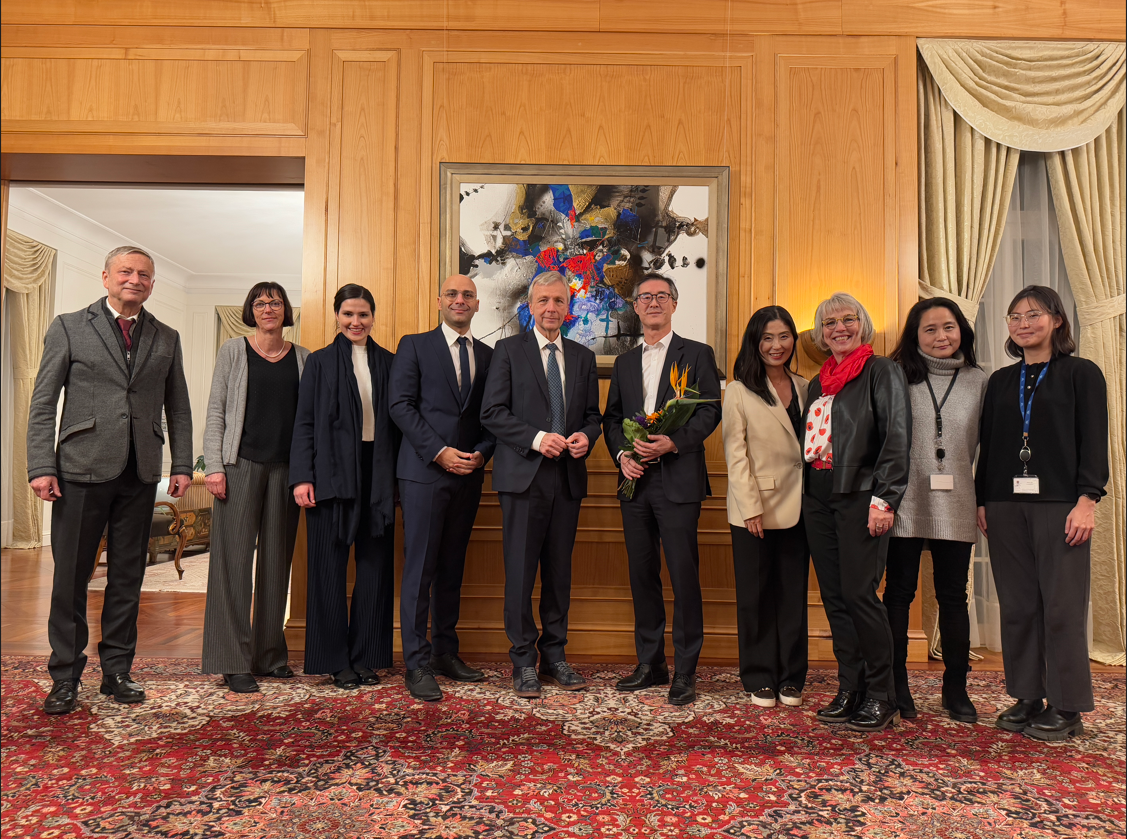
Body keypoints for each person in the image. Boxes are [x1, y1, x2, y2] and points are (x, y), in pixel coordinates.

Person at [27, 246, 192, 715]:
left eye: (144, 274)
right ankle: (65, 675)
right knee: (71, 577)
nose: (134, 280)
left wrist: (181, 464)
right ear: (105, 277)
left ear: (152, 284)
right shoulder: (68, 326)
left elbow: (177, 406)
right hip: (80, 468)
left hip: (140, 471)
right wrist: (41, 466)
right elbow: (43, 403)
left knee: (127, 576)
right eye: (126, 272)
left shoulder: (167, 336)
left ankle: (117, 670)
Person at [977, 285, 1108, 741]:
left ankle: (1067, 706)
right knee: (1017, 607)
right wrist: (982, 501)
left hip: (1061, 506)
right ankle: (1027, 695)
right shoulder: (1000, 381)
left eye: (1033, 314)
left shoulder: (1081, 374)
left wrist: (1088, 500)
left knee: (1061, 608)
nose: (1022, 323)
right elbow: (988, 447)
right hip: (1004, 505)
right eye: (1014, 317)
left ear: (1056, 320)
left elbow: (1094, 440)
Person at [480, 271, 602, 699]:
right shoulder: (508, 351)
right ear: (530, 307)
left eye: (558, 301)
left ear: (568, 309)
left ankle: (555, 656)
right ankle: (522, 662)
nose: (551, 308)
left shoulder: (583, 358)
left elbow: (592, 416)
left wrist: (588, 435)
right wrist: (536, 438)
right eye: (543, 301)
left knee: (558, 573)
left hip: (567, 478)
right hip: (523, 477)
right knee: (520, 573)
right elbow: (492, 413)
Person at [602, 274, 722, 706]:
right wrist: (622, 456)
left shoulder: (698, 354)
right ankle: (650, 663)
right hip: (635, 483)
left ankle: (686, 671)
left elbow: (710, 413)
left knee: (684, 577)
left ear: (674, 304)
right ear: (635, 307)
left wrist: (675, 441)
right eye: (645, 297)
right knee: (642, 575)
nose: (653, 303)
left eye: (661, 296)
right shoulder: (623, 363)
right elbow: (611, 420)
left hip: (678, 481)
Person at [802, 292, 911, 732]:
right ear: (820, 333)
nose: (839, 328)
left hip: (862, 495)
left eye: (848, 320)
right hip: (818, 494)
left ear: (862, 325)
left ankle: (882, 695)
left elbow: (896, 438)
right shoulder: (818, 382)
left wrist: (885, 500)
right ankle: (851, 688)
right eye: (829, 323)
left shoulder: (880, 371)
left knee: (861, 595)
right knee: (835, 597)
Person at [389, 275, 495, 702]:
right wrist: (439, 452)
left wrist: (483, 453)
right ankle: (416, 662)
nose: (459, 299)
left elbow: (493, 416)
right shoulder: (413, 345)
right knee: (420, 570)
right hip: (423, 474)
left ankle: (445, 653)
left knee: (452, 568)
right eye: (452, 293)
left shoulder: (488, 356)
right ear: (438, 301)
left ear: (477, 303)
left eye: (467, 294)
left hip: (469, 475)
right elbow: (400, 405)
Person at [201, 283, 310, 693]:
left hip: (286, 470)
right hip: (239, 465)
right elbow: (215, 410)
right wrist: (214, 466)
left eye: (276, 302)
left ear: (286, 311)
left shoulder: (303, 358)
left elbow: (308, 419)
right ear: (250, 310)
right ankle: (232, 660)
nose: (268, 308)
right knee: (232, 565)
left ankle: (269, 656)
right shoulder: (233, 350)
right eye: (261, 302)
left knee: (276, 564)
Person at [290, 284, 399, 689]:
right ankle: (336, 660)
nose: (356, 322)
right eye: (348, 314)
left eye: (363, 315)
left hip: (379, 474)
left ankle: (366, 657)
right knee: (327, 570)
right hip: (330, 475)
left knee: (374, 570)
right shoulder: (318, 363)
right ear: (337, 316)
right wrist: (302, 476)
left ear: (373, 317)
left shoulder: (389, 362)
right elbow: (303, 423)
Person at [884, 299, 987, 723]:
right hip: (904, 502)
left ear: (962, 329)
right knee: (897, 597)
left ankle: (956, 689)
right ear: (915, 335)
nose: (941, 336)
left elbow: (994, 449)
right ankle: (896, 686)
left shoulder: (982, 380)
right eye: (930, 329)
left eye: (949, 327)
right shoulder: (894, 376)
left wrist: (985, 501)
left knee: (953, 598)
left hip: (958, 500)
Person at [721, 306, 809, 708]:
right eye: (768, 338)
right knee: (755, 595)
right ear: (755, 343)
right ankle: (758, 675)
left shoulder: (808, 386)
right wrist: (750, 507)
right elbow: (735, 454)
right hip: (754, 509)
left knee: (792, 594)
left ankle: (791, 676)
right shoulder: (739, 389)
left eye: (784, 336)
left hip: (804, 506)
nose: (777, 346)